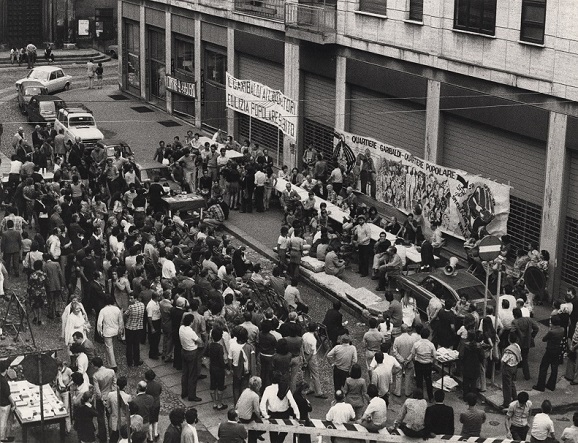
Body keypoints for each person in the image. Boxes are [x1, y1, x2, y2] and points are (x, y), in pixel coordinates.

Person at [260, 374, 300, 443]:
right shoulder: (285, 388)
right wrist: (297, 414)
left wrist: (265, 415)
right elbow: (292, 401)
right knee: (285, 430)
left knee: (273, 433)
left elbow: (262, 403)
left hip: (272, 413)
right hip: (284, 413)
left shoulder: (268, 389)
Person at [534, 315, 565, 392]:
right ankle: (551, 385)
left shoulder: (551, 332)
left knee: (543, 367)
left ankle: (540, 386)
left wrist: (550, 329)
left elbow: (544, 339)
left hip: (550, 350)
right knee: (554, 368)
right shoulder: (562, 329)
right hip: (557, 350)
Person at [92, 357, 116, 443]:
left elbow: (97, 391)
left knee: (101, 418)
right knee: (111, 417)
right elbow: (114, 383)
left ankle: (103, 437)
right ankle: (112, 436)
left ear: (95, 366)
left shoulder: (95, 376)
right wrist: (112, 393)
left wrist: (102, 399)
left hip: (101, 398)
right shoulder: (111, 371)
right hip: (110, 396)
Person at [511, 307, 539, 381]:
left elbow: (512, 332)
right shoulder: (528, 319)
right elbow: (536, 328)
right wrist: (532, 336)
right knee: (525, 358)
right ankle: (527, 376)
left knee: (515, 358)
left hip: (518, 342)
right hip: (527, 341)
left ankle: (514, 376)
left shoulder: (514, 322)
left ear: (514, 315)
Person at [180, 313, 203, 402]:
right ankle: (192, 395)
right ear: (191, 322)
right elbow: (199, 341)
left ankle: (184, 392)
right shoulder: (191, 332)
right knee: (192, 375)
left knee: (185, 373)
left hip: (184, 351)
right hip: (192, 352)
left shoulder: (181, 328)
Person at [97, 296, 124, 371]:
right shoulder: (117, 309)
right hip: (116, 331)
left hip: (107, 332)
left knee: (109, 348)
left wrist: (100, 331)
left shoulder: (103, 310)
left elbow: (99, 323)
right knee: (113, 346)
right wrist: (120, 329)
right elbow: (121, 321)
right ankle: (111, 360)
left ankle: (113, 364)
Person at [410, 327, 436, 402]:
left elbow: (412, 355)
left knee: (419, 381)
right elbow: (435, 357)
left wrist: (415, 361)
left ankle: (420, 397)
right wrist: (432, 363)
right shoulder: (431, 345)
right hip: (427, 365)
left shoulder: (416, 344)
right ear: (428, 335)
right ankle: (430, 397)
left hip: (418, 364)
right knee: (428, 381)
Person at [237, 376, 263, 443]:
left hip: (239, 415)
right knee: (259, 420)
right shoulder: (255, 396)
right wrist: (260, 417)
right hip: (246, 418)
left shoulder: (245, 390)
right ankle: (257, 434)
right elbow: (257, 410)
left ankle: (255, 435)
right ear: (258, 386)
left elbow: (238, 403)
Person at [106, 376, 132, 443]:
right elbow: (128, 411)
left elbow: (108, 406)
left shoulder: (110, 394)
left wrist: (111, 412)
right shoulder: (128, 397)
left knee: (113, 436)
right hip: (123, 420)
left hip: (113, 419)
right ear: (125, 386)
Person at [207, 327, 228, 411]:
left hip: (212, 367)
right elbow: (221, 360)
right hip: (219, 369)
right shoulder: (220, 347)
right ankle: (219, 403)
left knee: (212, 385)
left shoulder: (210, 345)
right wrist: (225, 368)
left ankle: (214, 403)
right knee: (220, 386)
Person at [124, 293, 145, 367]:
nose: (130, 300)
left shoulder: (131, 307)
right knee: (136, 345)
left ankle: (129, 362)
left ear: (136, 298)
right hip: (138, 328)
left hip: (130, 328)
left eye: (131, 298)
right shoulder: (142, 305)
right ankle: (136, 361)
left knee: (129, 346)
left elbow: (125, 315)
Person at [0, 360, 15, 442]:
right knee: (3, 423)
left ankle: (5, 437)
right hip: (5, 404)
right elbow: (8, 394)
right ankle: (2, 439)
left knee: (3, 421)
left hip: (1, 402)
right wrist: (13, 404)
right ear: (6, 369)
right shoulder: (3, 381)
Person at [145, 370, 162, 441]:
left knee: (149, 421)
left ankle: (150, 438)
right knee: (155, 419)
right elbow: (160, 392)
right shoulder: (158, 385)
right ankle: (155, 433)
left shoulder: (145, 386)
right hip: (156, 404)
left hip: (148, 405)